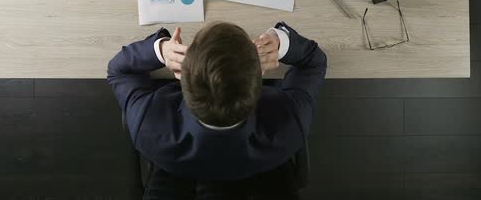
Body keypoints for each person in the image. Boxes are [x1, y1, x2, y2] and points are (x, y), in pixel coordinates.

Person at [107, 22, 327, 199]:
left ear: (181, 77)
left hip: (176, 167)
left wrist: (160, 49)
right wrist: (281, 42)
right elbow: (314, 61)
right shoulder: (291, 120)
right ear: (259, 78)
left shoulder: (148, 122)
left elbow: (118, 70)